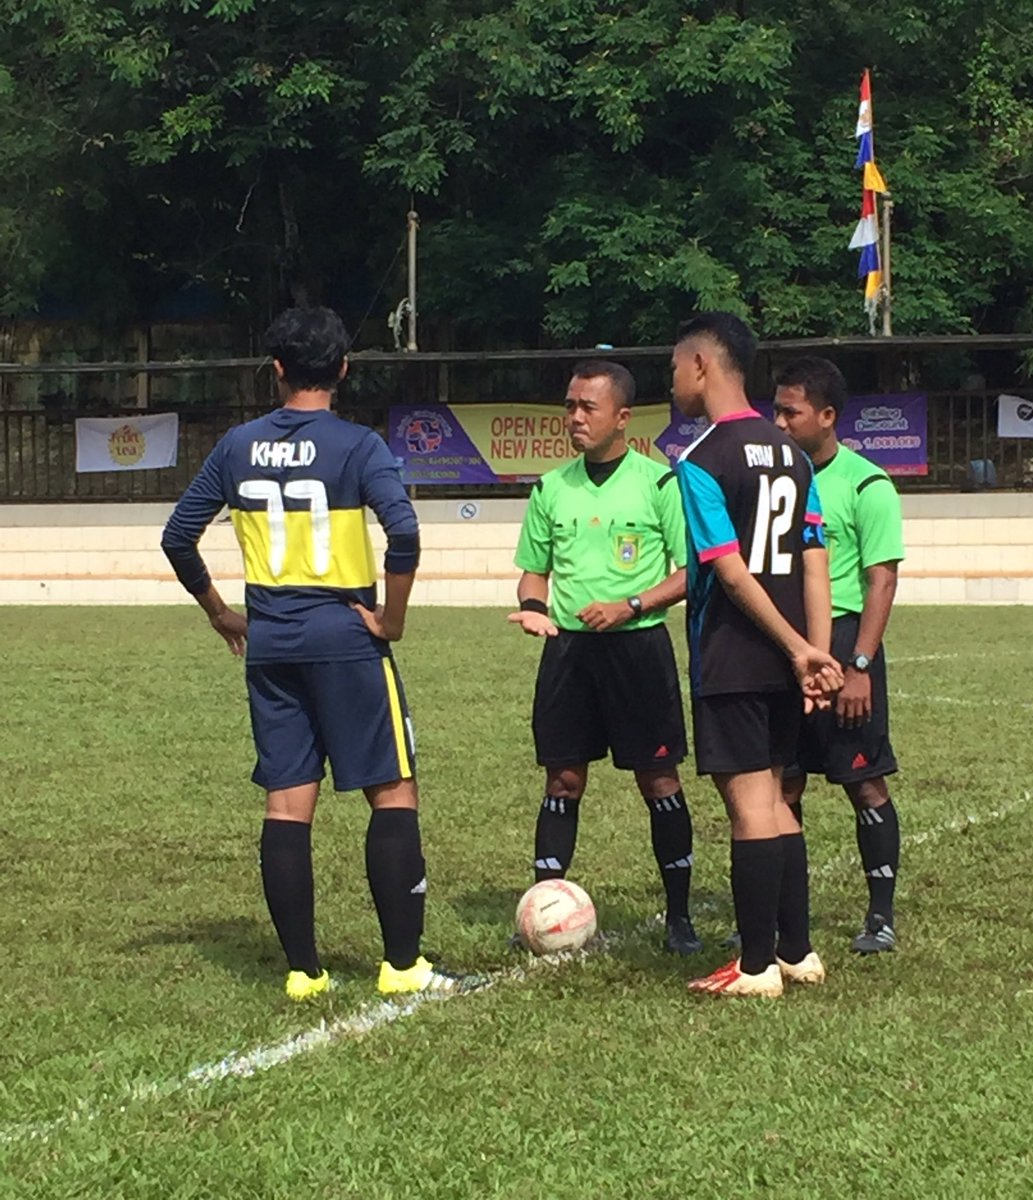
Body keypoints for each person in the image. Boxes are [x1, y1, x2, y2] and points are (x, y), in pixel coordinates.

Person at [162, 305, 474, 1001]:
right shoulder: (357, 446)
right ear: (342, 369)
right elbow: (405, 534)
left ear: (275, 370)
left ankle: (304, 971)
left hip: (269, 641)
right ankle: (402, 964)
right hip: (344, 637)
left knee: (286, 805)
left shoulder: (236, 446)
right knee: (392, 791)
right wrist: (390, 619)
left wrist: (220, 613)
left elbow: (178, 536)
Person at [670, 312, 843, 998]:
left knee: (748, 809)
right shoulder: (792, 453)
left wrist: (799, 648)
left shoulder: (702, 458)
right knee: (775, 802)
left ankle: (754, 966)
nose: (674, 380)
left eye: (677, 366)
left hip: (737, 654)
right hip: (785, 661)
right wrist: (816, 652)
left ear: (704, 367)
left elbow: (730, 571)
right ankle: (797, 951)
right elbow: (816, 560)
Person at [508, 360, 702, 954]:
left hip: (638, 648)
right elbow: (532, 573)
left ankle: (679, 917)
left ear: (622, 417)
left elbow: (693, 568)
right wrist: (535, 607)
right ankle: (545, 909)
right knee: (563, 778)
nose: (574, 418)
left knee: (658, 778)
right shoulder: (550, 486)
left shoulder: (661, 482)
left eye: (587, 408)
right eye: (569, 406)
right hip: (568, 653)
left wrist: (631, 603)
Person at [773, 356, 905, 953]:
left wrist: (858, 667)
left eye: (789, 411)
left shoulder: (867, 484)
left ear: (826, 417)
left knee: (864, 784)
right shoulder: (776, 481)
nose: (778, 422)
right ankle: (782, 914)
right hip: (791, 645)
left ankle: (880, 916)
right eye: (775, 409)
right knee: (783, 786)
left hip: (847, 643)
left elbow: (882, 580)